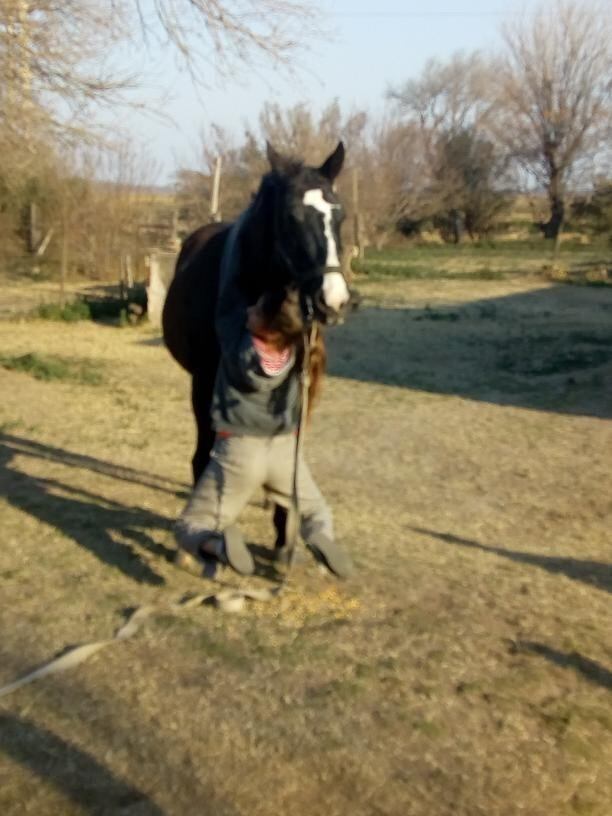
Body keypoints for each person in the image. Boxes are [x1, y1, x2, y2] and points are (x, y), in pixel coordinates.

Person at [174, 225, 353, 580]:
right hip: (285, 452)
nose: (250, 308)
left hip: (240, 451)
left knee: (193, 525)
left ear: (255, 323)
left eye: (255, 308)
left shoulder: (234, 344)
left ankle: (217, 545)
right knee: (316, 510)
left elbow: (227, 295)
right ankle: (318, 536)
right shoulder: (300, 355)